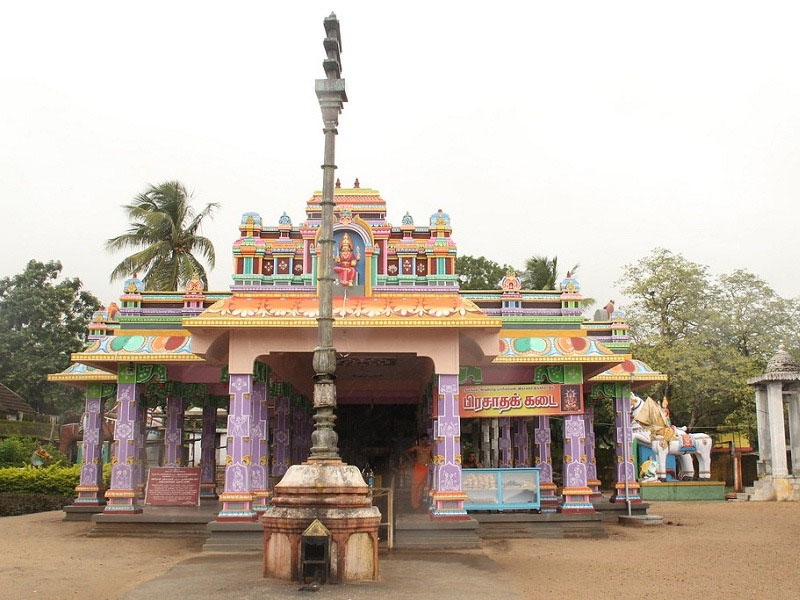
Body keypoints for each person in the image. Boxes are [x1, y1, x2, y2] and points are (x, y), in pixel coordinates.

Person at [404, 434, 433, 511]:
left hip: (427, 468)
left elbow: (433, 457)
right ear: (420, 440)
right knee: (415, 486)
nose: (425, 441)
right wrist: (412, 461)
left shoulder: (431, 447)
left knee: (423, 486)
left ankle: (420, 503)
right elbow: (406, 452)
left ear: (429, 440)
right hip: (418, 467)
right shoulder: (417, 448)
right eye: (423, 440)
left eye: (426, 439)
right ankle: (414, 505)